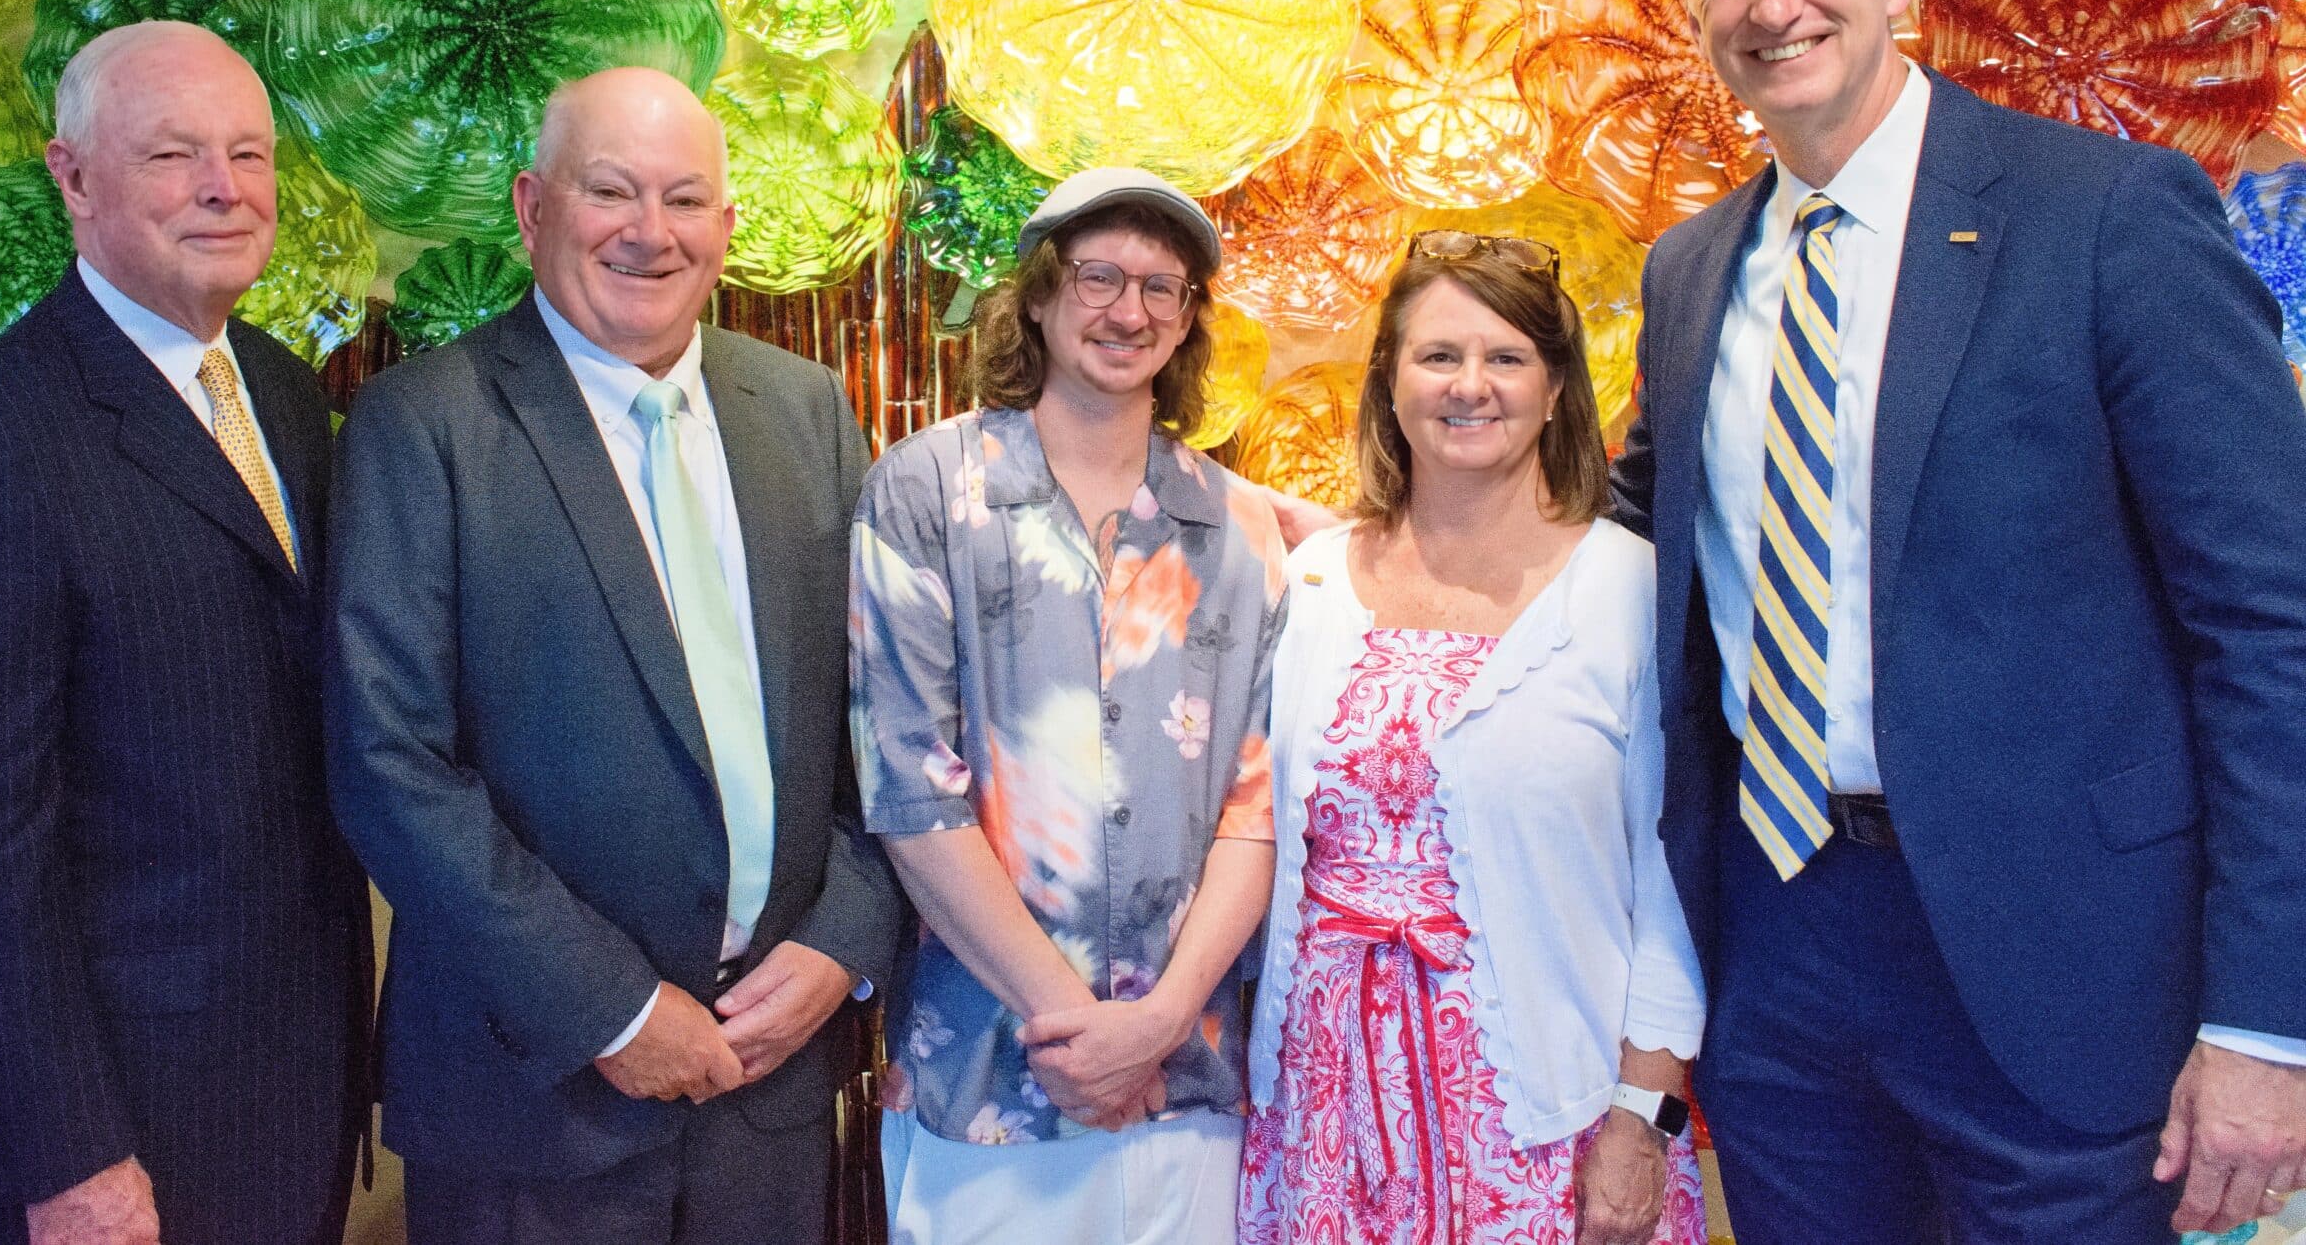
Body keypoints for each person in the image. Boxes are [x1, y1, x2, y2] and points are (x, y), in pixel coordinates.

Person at [1610, 0, 2306, 1241]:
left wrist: (2267, 1018)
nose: (1774, 1)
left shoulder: (2106, 214)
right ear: (1696, 15)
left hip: (2069, 964)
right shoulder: (1687, 275)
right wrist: (1349, 568)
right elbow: (1619, 558)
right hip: (1779, 949)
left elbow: (2275, 625)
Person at [325, 66, 902, 1244]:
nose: (651, 232)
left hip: (771, 1086)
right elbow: (388, 763)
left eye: (685, 200)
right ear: (534, 209)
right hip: (537, 1096)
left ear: (727, 230)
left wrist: (843, 941)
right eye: (611, 192)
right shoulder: (423, 424)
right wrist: (614, 1009)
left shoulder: (804, 411)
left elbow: (886, 722)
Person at [0, 21, 372, 1245]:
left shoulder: (286, 397)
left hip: (276, 1092)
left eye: (250, 155)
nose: (223, 187)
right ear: (72, 178)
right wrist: (72, 1157)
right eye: (174, 155)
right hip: (93, 1143)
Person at [849, 169, 1291, 1245]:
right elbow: (911, 789)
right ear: (1040, 297)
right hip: (987, 1072)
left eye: (1162, 288)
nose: (1128, 311)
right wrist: (1085, 1037)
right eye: (1099, 277)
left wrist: (1156, 1025)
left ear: (1188, 323)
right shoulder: (926, 489)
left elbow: (1255, 806)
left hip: (1187, 1081)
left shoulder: (1237, 527)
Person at [1238, 237, 1708, 1245]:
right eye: (1438, 356)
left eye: (1505, 359)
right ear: (1390, 385)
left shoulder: (1631, 589)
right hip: (1321, 1117)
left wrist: (1644, 1115)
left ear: (1554, 393)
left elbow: (1674, 882)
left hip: (1550, 1121)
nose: (1470, 386)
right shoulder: (1314, 580)